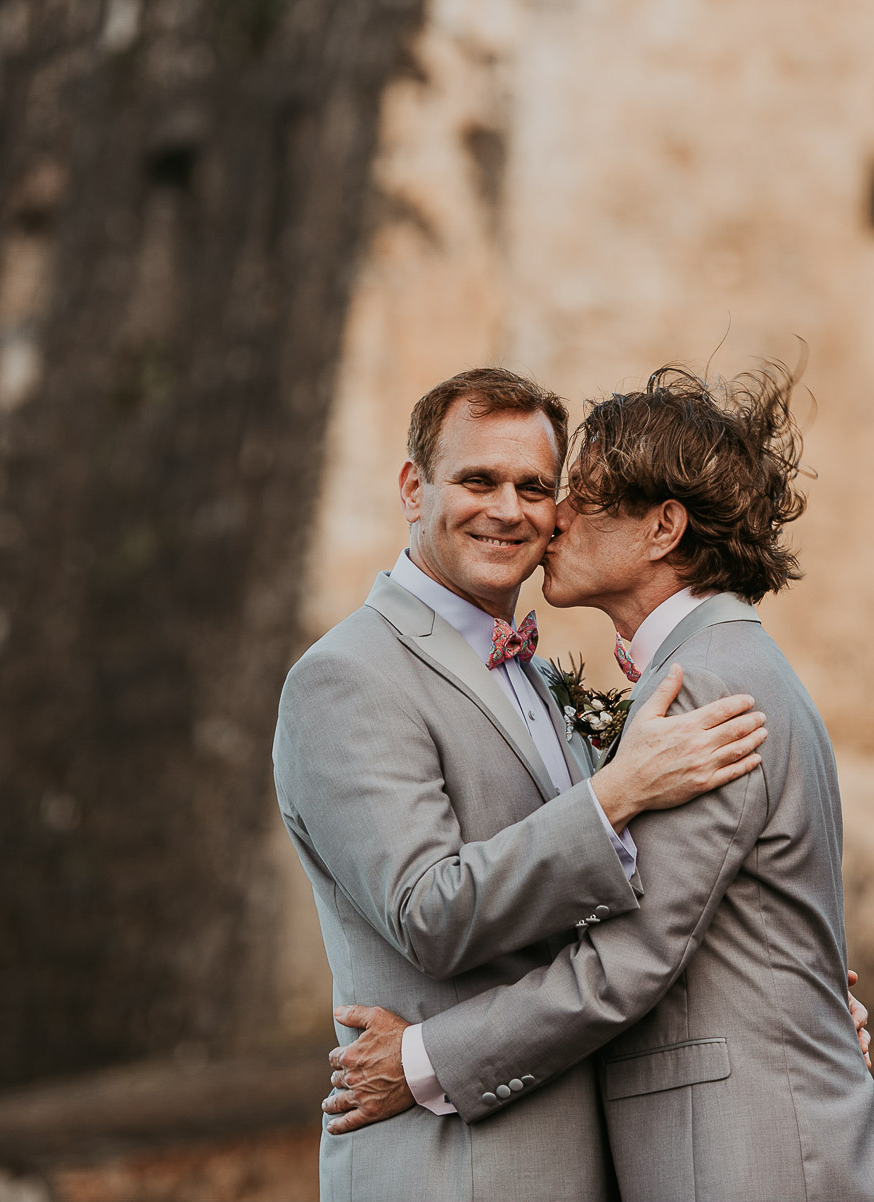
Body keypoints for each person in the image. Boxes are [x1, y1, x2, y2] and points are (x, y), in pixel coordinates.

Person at [324, 364, 874, 1202]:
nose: (547, 517)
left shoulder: (706, 687)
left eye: (571, 492)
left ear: (662, 528)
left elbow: (632, 959)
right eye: (485, 480)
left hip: (755, 1160)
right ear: (413, 490)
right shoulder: (699, 673)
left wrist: (419, 1061)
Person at [272, 367, 773, 1202]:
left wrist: (779, 996)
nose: (508, 509)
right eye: (478, 480)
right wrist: (615, 793)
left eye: (535, 487)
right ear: (412, 487)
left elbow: (619, 906)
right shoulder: (346, 679)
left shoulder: (536, 674)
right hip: (454, 1167)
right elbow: (430, 914)